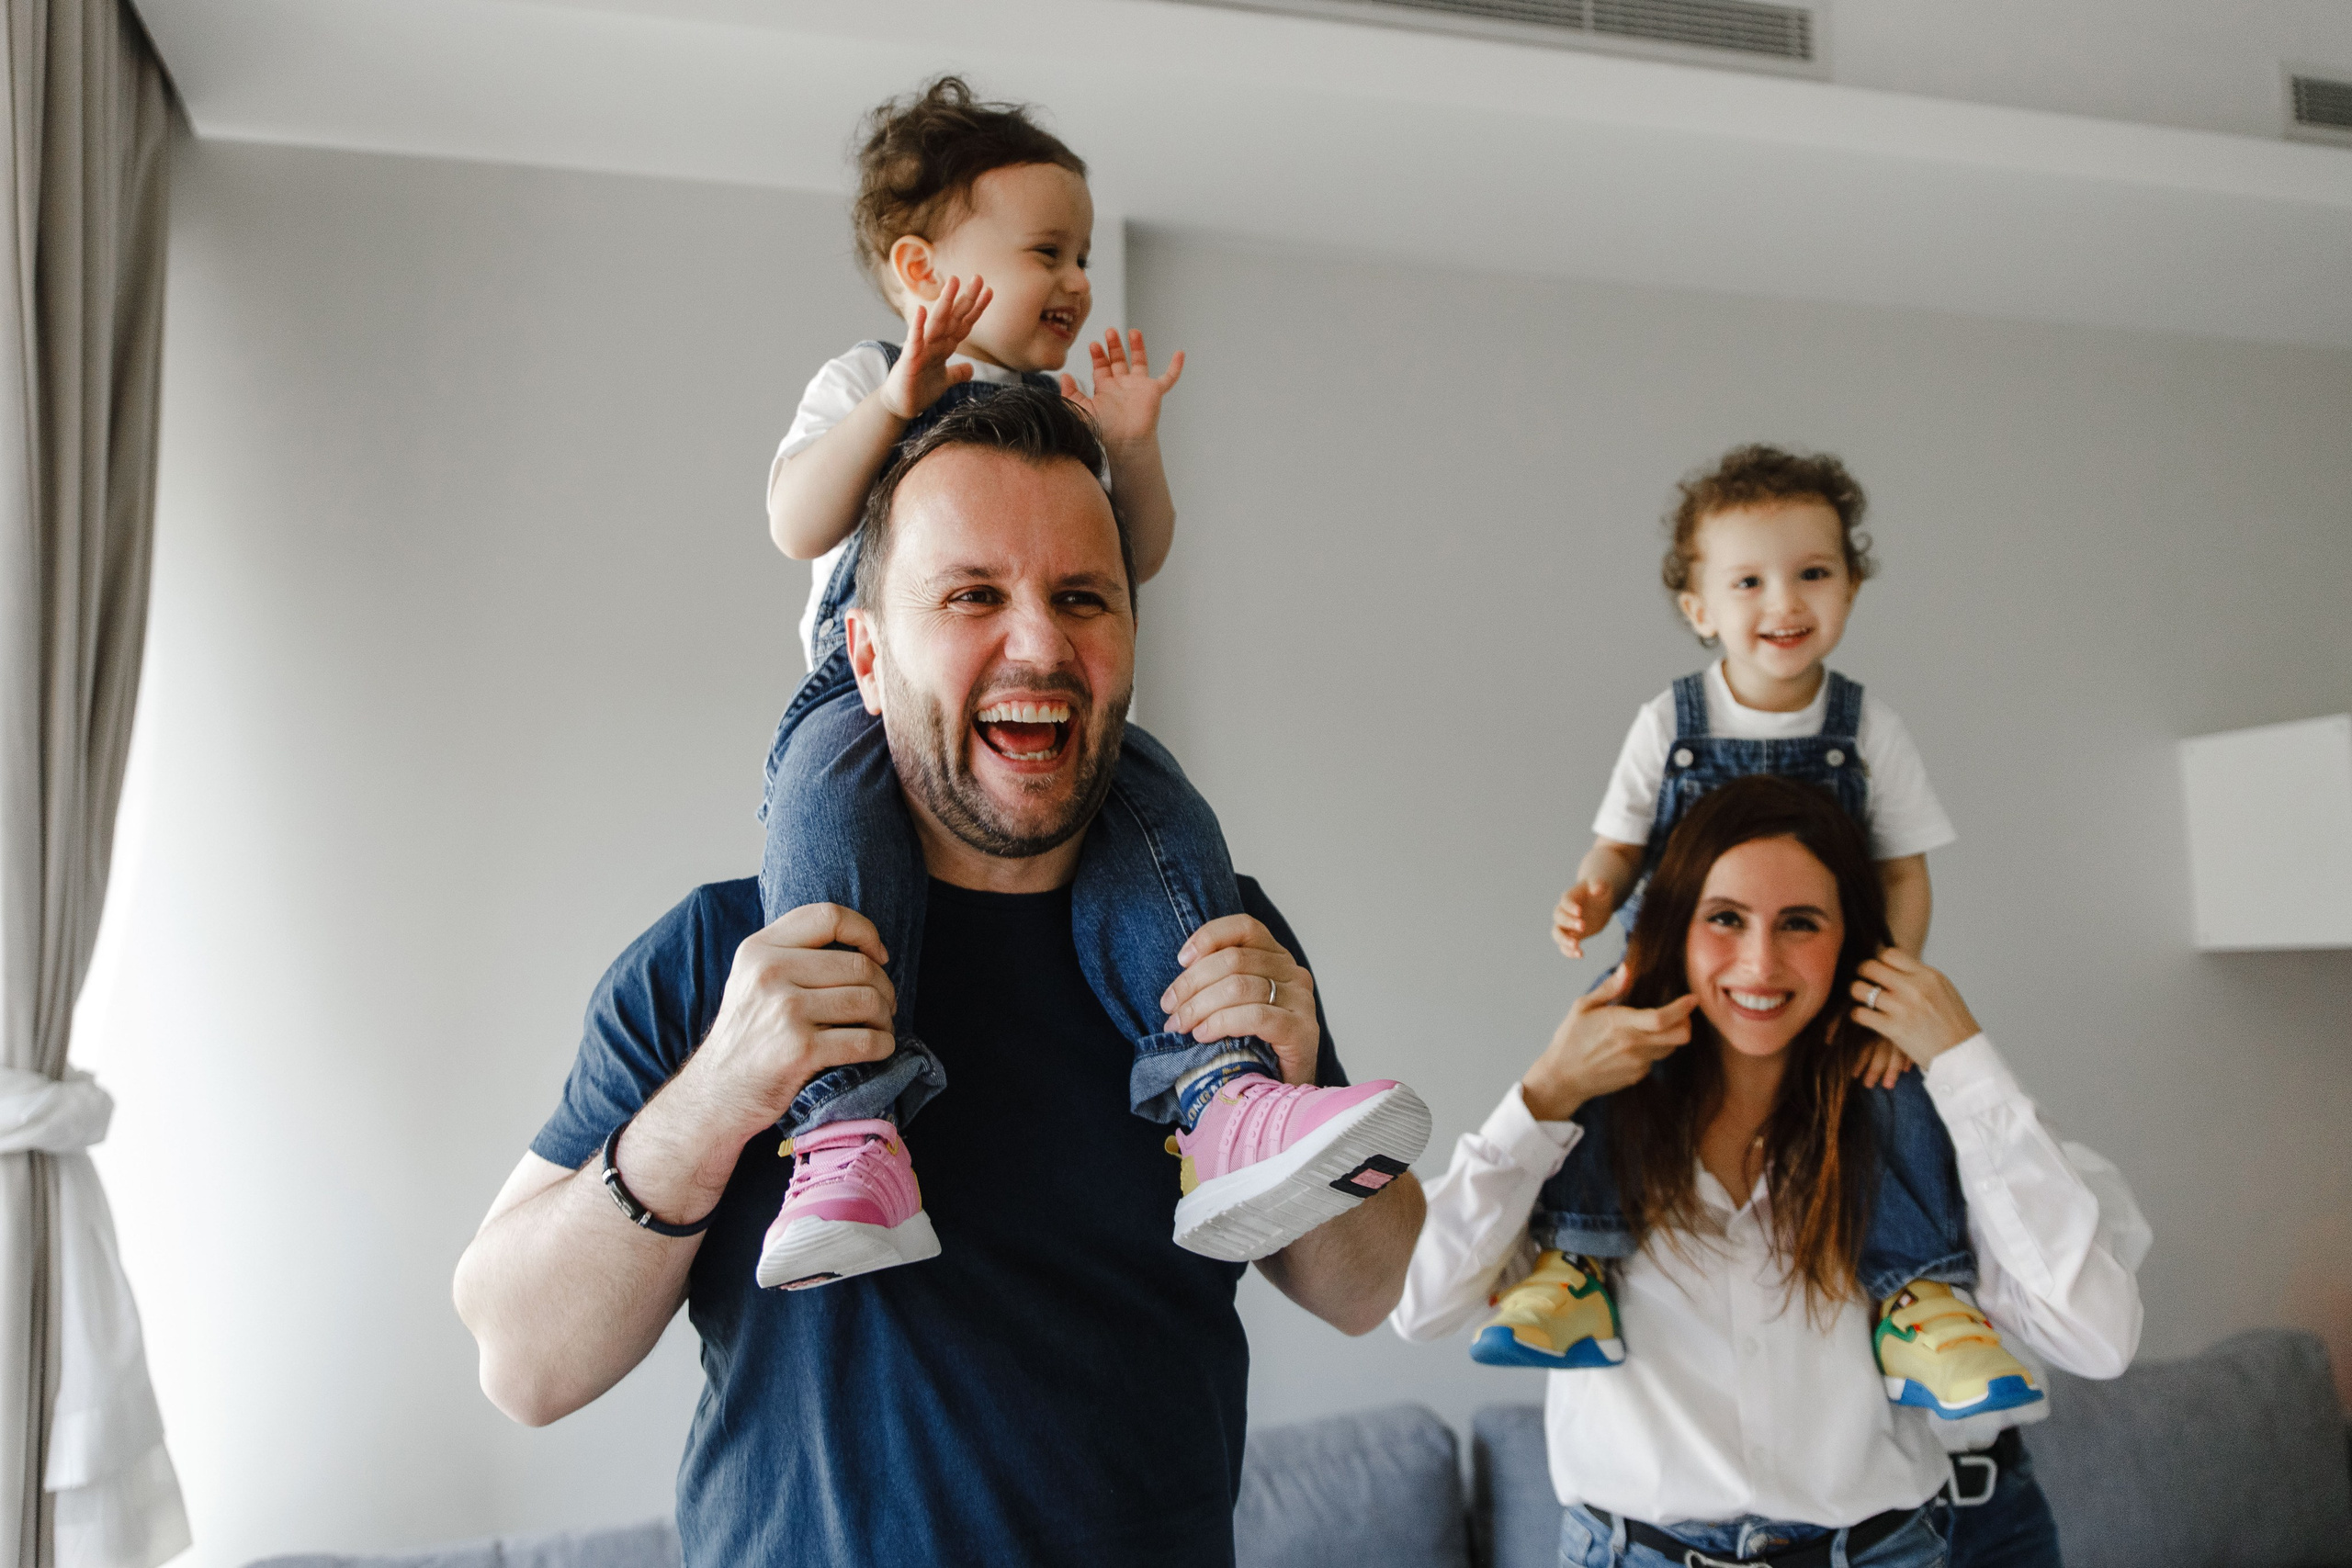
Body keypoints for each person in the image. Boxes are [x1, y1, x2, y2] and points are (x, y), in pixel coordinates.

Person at [452, 388, 1427, 1567]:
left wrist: (1292, 1053)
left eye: (1082, 598)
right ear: (864, 655)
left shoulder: (1207, 939)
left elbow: (1366, 1289)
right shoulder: (721, 956)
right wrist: (722, 1093)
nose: (1040, 645)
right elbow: (523, 1363)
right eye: (972, 595)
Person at [751, 76, 1427, 1291]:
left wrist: (1133, 449)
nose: (1076, 281)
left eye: (1085, 254)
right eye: (1045, 251)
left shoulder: (1062, 410)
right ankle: (848, 1126)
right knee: (821, 811)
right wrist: (899, 404)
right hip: (858, 716)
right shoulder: (865, 380)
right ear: (921, 270)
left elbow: (1143, 553)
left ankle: (1222, 1097)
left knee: (1158, 799)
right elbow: (799, 519)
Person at [1392, 775, 2142, 1568]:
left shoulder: (1925, 1127)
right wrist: (1543, 1095)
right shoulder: (1583, 1132)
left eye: (1800, 923)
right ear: (1676, 928)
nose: (1760, 961)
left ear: (1851, 939)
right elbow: (1419, 1303)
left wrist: (1965, 1064)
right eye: (1725, 918)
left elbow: (2096, 1336)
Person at [1485, 446, 2026, 1425]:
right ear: (1699, 608)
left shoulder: (1866, 727)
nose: (1784, 601)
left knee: (1894, 1087)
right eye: (1747, 581)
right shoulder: (1669, 721)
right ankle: (1578, 1263)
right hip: (1678, 967)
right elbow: (1617, 846)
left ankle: (1920, 1295)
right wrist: (1591, 898)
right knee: (1614, 1054)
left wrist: (1889, 986)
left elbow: (1903, 870)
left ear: (1851, 586)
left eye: (1813, 572)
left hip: (1825, 972)